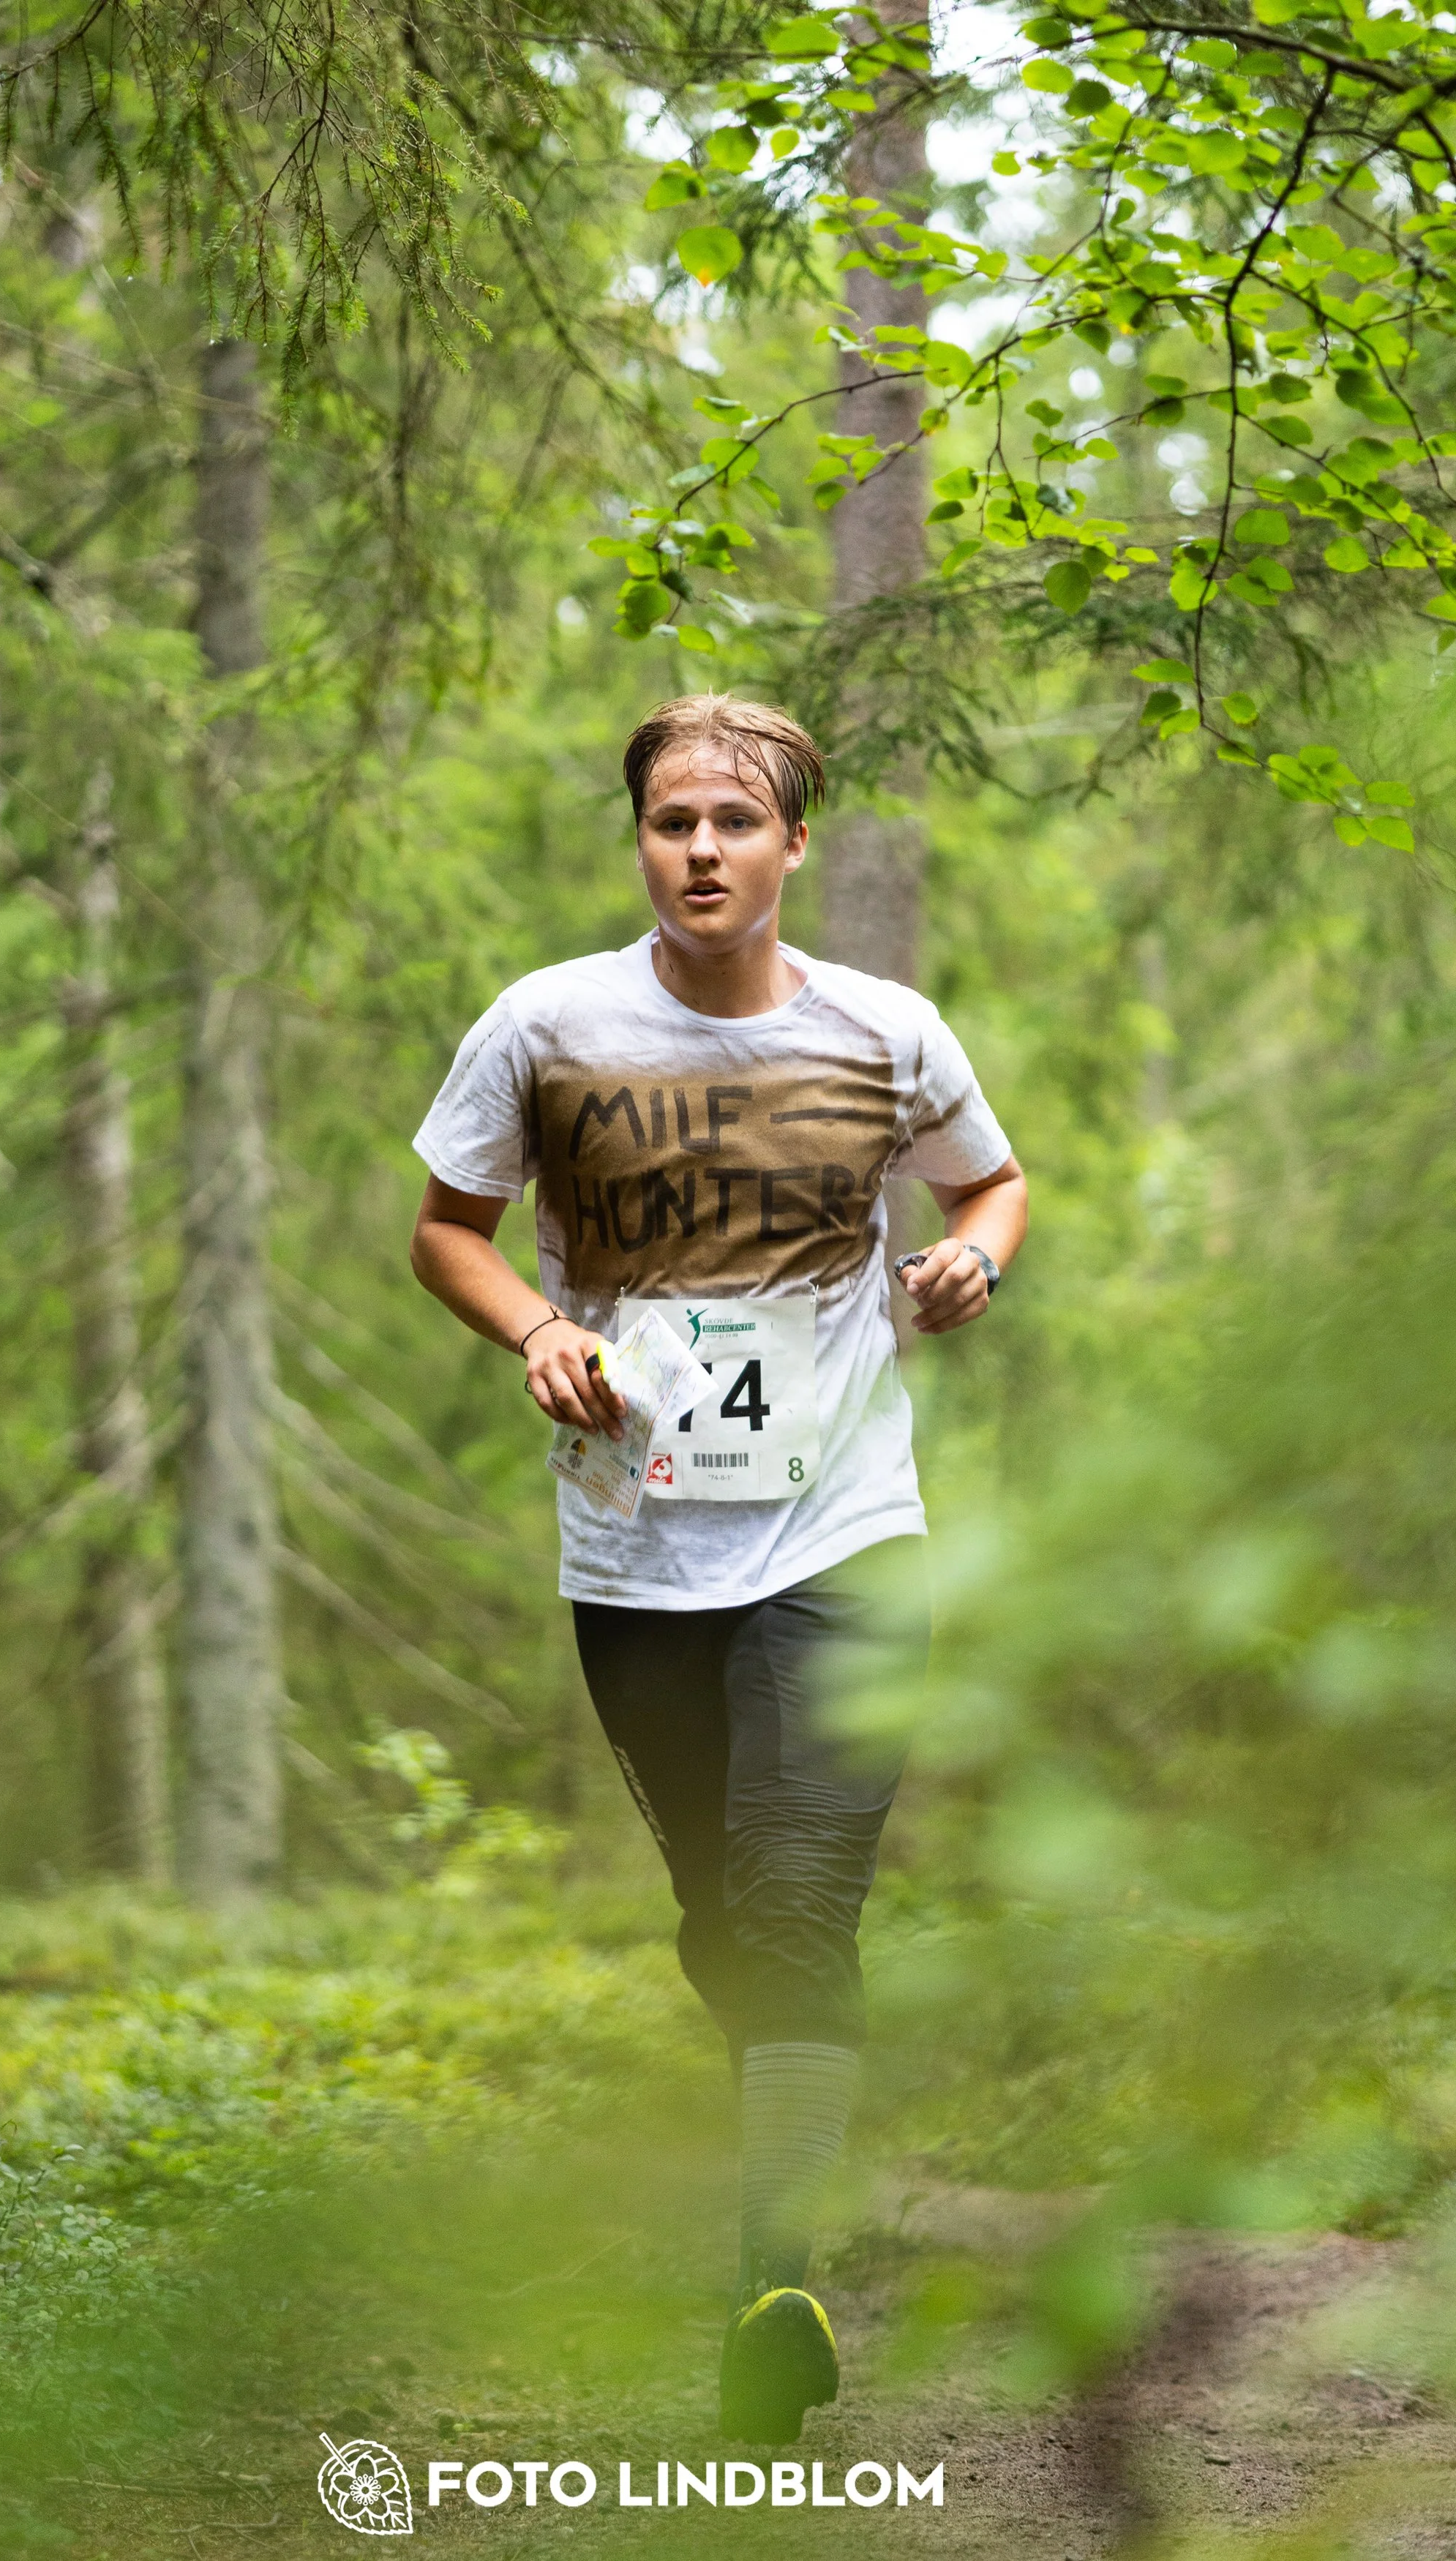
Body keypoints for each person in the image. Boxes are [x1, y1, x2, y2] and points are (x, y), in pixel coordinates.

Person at [409, 693, 1027, 2444]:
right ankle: (790, 2116)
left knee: (797, 1898)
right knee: (719, 1913)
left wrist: (970, 1262)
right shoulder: (545, 1025)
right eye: (671, 820)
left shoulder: (883, 1031)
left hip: (845, 1534)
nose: (700, 849)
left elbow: (989, 1186)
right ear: (640, 840)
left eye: (735, 822)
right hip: (634, 1548)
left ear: (791, 844)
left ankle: (776, 2284)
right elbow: (445, 1231)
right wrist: (538, 1328)